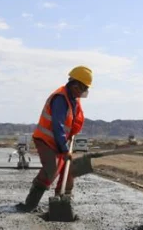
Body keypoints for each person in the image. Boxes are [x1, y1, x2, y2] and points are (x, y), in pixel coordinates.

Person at [16, 66, 92, 212]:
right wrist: (64, 149)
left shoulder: (73, 99)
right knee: (51, 169)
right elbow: (58, 126)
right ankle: (30, 204)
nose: (85, 92)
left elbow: (70, 125)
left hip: (60, 141)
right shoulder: (60, 99)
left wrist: (65, 145)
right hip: (46, 140)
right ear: (76, 85)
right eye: (84, 88)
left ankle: (62, 205)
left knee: (69, 170)